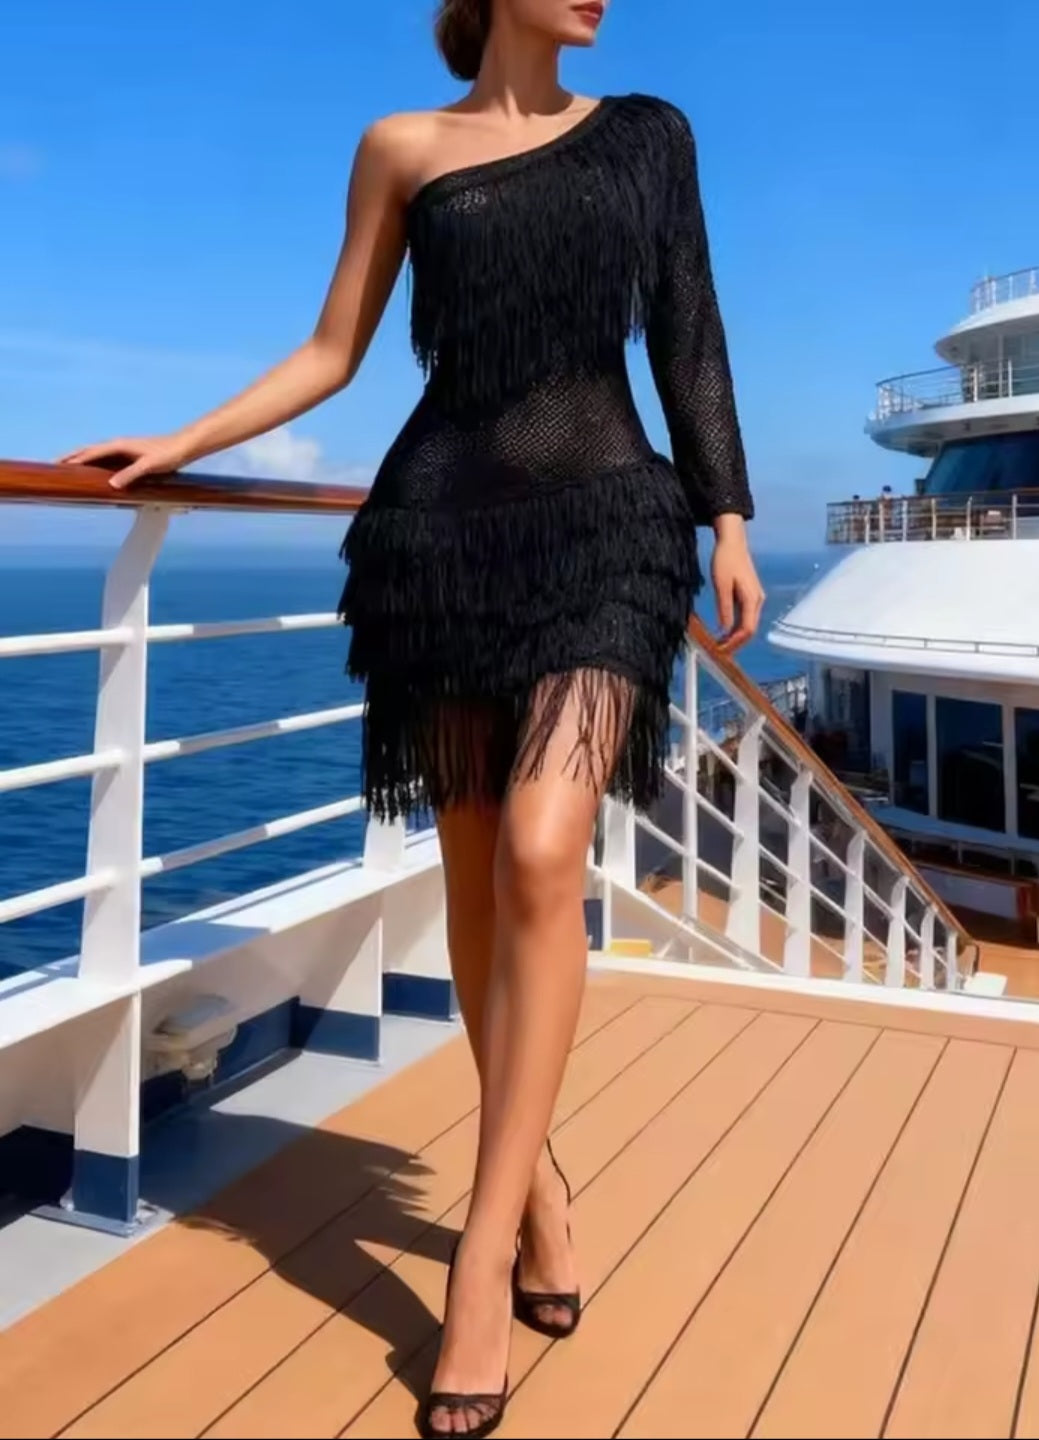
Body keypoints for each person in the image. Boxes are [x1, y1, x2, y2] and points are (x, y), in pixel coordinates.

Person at [61, 1, 763, 1432]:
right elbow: (334, 349)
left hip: (611, 527)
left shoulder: (648, 137)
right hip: (438, 538)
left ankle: (479, 1260)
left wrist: (732, 517)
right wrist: (181, 440)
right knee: (472, 876)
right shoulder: (400, 147)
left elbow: (690, 332)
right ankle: (539, 1192)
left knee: (545, 855)